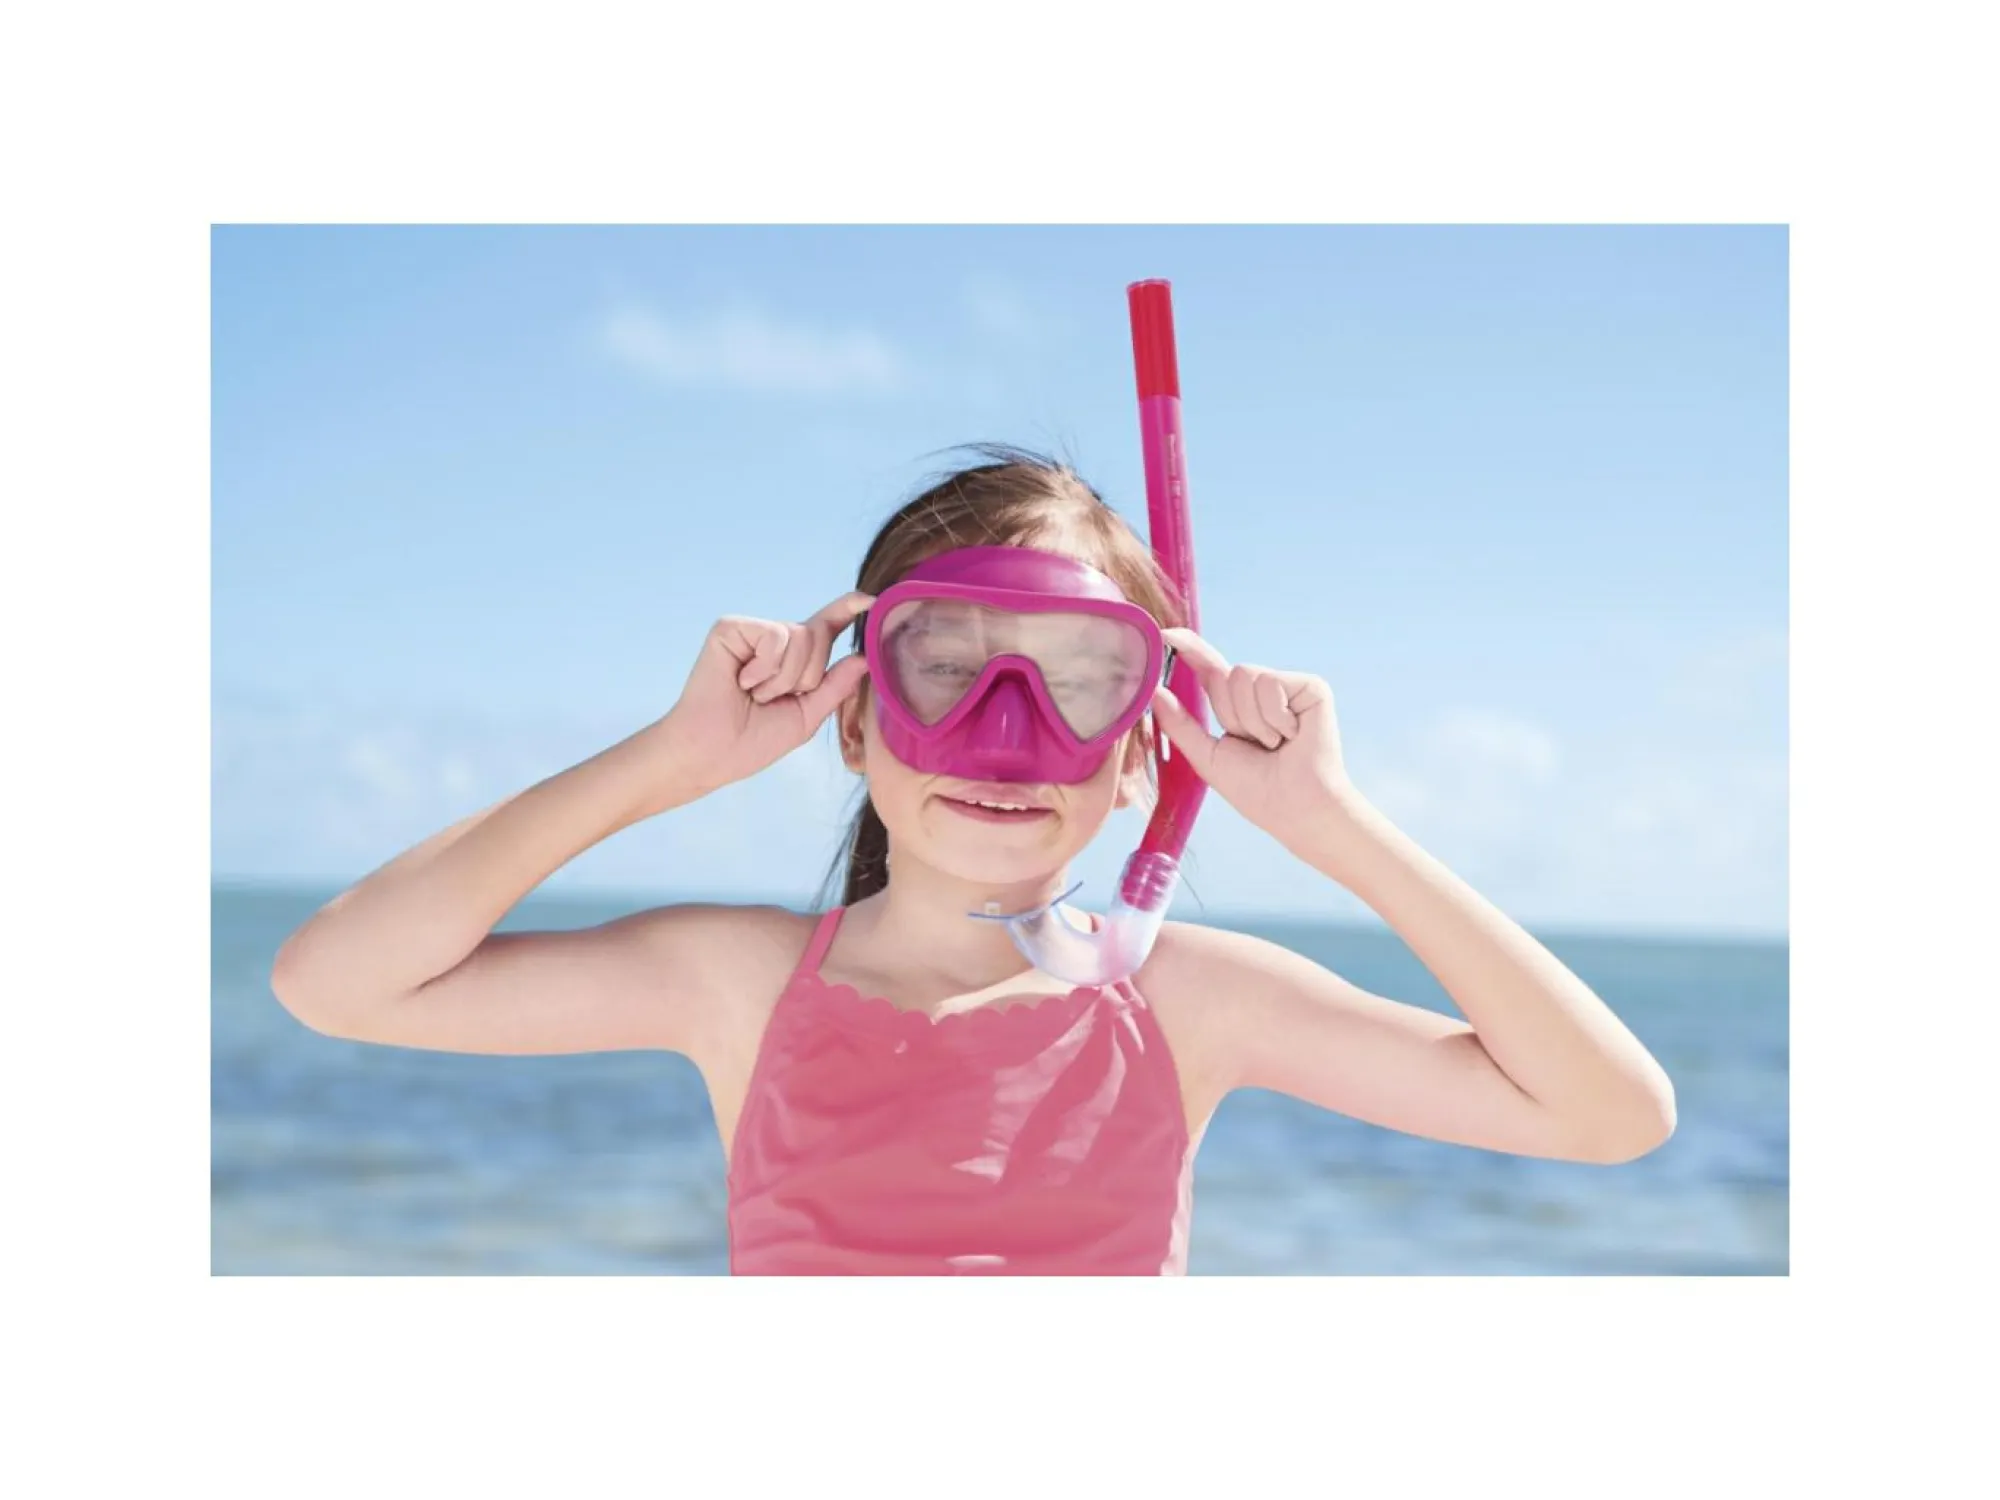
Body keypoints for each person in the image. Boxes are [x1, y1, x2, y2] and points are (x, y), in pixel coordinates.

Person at [270, 444, 1677, 1275]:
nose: (1005, 735)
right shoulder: (741, 983)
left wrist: (1334, 829)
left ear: (1146, 751)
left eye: (1074, 682)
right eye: (945, 668)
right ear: (855, 716)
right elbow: (337, 982)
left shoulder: (1184, 1002)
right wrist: (669, 761)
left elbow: (1610, 1115)